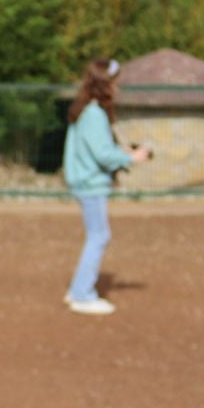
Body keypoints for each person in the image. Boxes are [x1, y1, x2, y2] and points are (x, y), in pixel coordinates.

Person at [62, 57, 151, 316]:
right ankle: (82, 295)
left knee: (98, 235)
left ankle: (79, 289)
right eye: (115, 83)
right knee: (99, 236)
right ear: (104, 84)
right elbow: (102, 154)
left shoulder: (86, 111)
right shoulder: (94, 114)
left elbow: (97, 147)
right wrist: (130, 157)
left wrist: (119, 150)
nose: (118, 88)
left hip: (86, 182)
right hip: (90, 184)